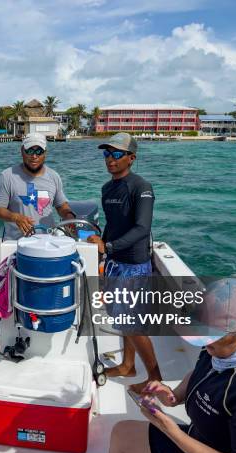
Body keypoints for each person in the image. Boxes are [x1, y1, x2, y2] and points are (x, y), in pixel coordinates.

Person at [109, 278, 236, 453]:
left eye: (211, 341)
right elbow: (203, 370)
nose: (205, 347)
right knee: (121, 434)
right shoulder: (222, 347)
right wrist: (174, 395)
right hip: (199, 441)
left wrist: (171, 431)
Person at [87, 133, 161, 390]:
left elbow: (142, 227)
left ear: (131, 158)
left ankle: (155, 379)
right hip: (114, 262)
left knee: (133, 324)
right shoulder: (107, 188)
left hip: (134, 264)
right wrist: (101, 243)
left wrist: (107, 246)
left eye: (117, 154)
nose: (110, 159)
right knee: (123, 321)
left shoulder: (142, 187)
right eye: (107, 154)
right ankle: (128, 366)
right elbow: (113, 224)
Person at [0, 132, 76, 239]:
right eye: (30, 151)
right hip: (16, 243)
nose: (34, 156)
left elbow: (61, 205)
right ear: (22, 151)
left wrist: (68, 216)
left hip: (48, 241)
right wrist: (15, 217)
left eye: (39, 151)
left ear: (45, 153)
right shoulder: (7, 176)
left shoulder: (54, 176)